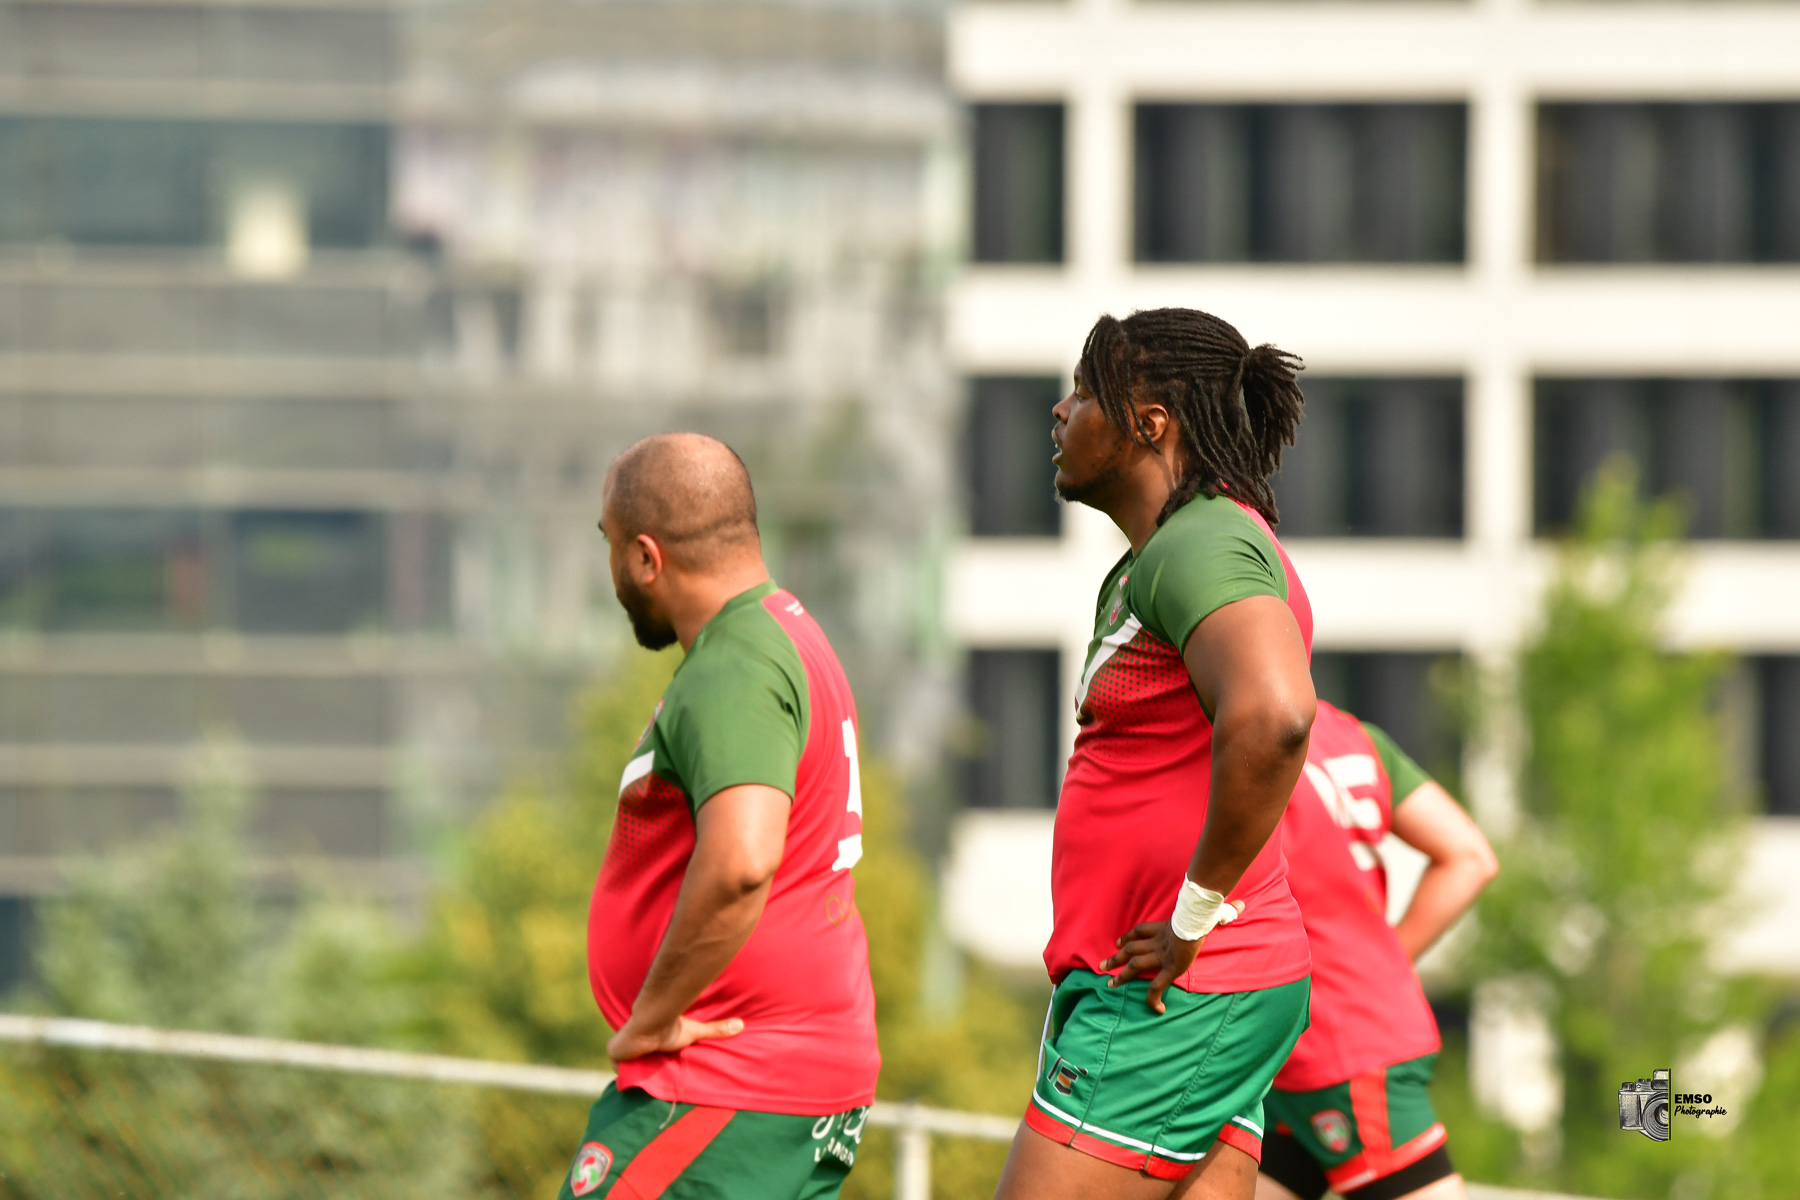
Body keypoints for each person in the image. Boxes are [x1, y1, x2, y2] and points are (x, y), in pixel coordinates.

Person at [995, 308, 1318, 1200]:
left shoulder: (1203, 541)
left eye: (1084, 392)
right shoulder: (1181, 547)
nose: (1061, 412)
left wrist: (1191, 916)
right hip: (1189, 983)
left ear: (1150, 422)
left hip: (1172, 989)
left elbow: (1277, 716)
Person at [559, 433, 879, 1200]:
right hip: (779, 1075)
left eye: (609, 545)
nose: (612, 573)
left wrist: (651, 1018)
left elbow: (741, 862)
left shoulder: (734, 663)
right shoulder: (784, 632)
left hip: (725, 1080)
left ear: (646, 557)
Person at [1257, 701, 1498, 1200]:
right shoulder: (1352, 736)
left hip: (1332, 1049)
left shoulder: (1242, 736)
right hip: (1307, 1045)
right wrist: (1382, 966)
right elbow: (1470, 855)